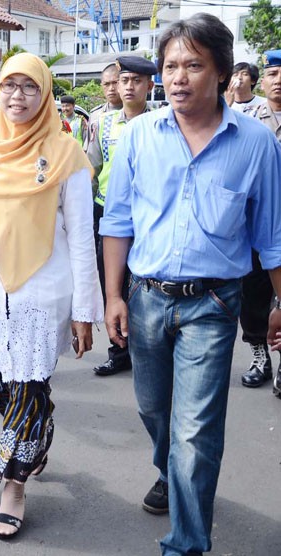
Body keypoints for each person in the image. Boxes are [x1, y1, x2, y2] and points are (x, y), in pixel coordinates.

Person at [101, 14, 281, 556]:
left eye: (193, 65)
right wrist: (112, 294)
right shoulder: (136, 137)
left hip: (212, 303)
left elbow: (271, 237)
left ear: (222, 73)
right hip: (146, 297)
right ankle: (175, 474)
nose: (178, 78)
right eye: (170, 66)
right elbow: (118, 222)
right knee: (156, 412)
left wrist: (279, 302)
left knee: (193, 433)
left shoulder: (256, 144)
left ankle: (186, 543)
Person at [0, 53, 102, 540]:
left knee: (28, 388)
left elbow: (80, 236)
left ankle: (12, 483)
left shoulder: (65, 152)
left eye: (29, 87)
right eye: (9, 85)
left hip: (43, 292)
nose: (17, 95)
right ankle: (40, 424)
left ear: (45, 93)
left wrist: (84, 313)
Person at [88, 56, 157, 377]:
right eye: (123, 81)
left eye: (135, 81)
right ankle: (118, 350)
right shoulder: (100, 124)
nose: (128, 87)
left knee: (144, 284)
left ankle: (146, 349)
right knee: (111, 283)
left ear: (149, 86)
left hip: (148, 216)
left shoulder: (161, 123)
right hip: (109, 214)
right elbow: (91, 170)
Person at [239, 50, 281, 394]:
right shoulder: (247, 123)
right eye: (273, 74)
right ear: (261, 81)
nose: (278, 81)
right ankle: (259, 354)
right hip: (257, 225)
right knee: (253, 295)